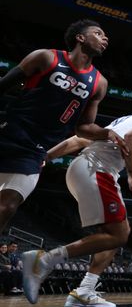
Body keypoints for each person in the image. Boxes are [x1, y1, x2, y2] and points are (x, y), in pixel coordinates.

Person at [22, 94, 132, 307]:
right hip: (97, 169)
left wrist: (46, 157)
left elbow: (79, 140)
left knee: (118, 233)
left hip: (81, 169)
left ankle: (85, 290)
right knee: (119, 234)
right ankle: (45, 260)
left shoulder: (125, 120)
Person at [0, 20, 119, 243]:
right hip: (8, 134)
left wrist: (107, 133)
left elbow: (83, 127)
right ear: (80, 38)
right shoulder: (46, 57)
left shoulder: (99, 83)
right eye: (98, 33)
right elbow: (4, 85)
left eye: (105, 36)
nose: (105, 39)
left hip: (33, 152)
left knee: (8, 206)